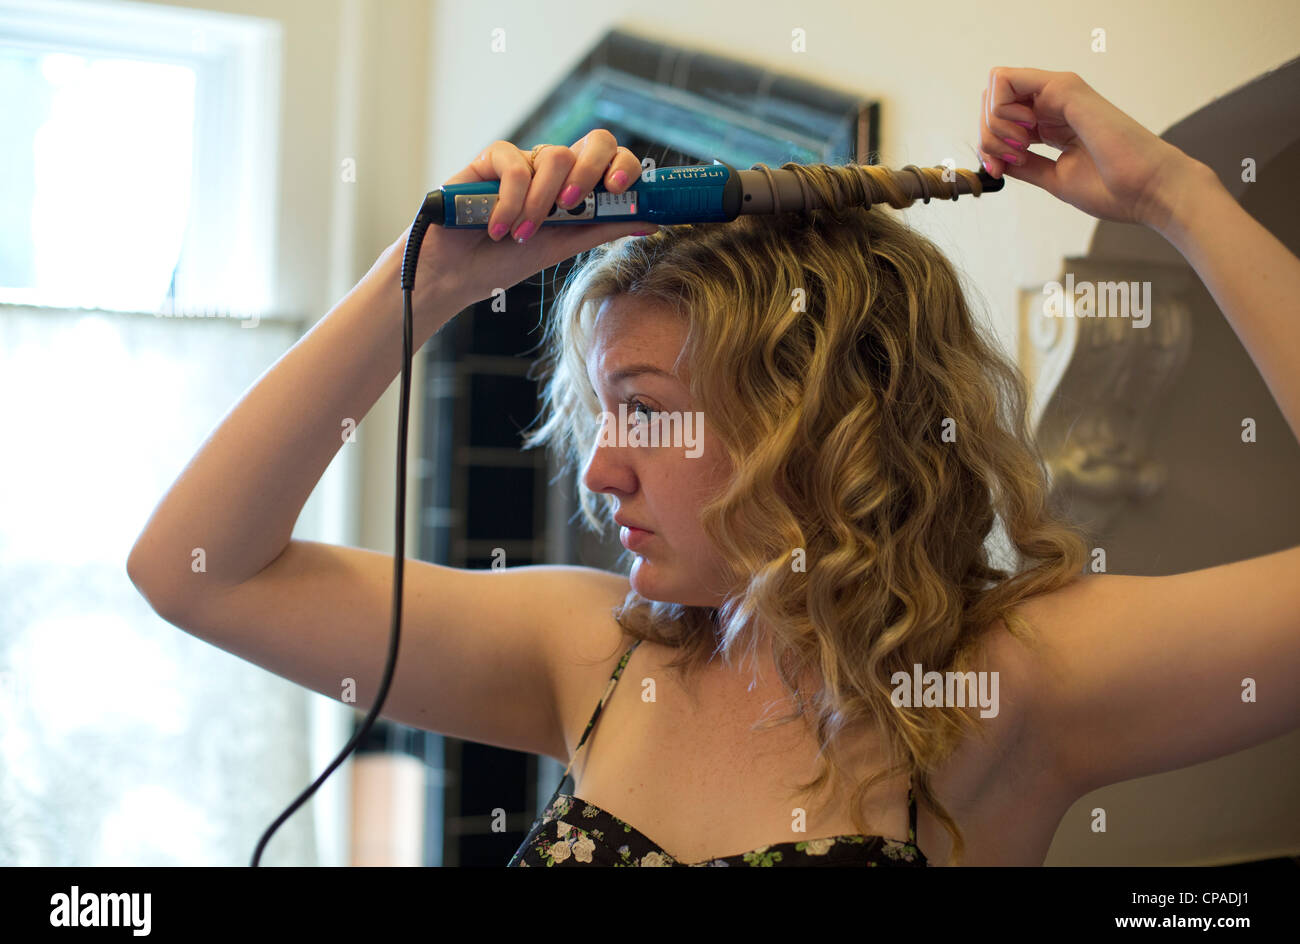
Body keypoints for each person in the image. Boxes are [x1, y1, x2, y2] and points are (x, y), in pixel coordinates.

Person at [127, 66, 1300, 866]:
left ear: (817, 416)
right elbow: (195, 571)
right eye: (599, 413)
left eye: (643, 412)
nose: (599, 473)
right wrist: (426, 281)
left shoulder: (1014, 680)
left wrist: (1176, 197)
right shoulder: (588, 656)